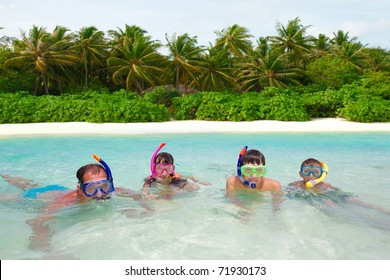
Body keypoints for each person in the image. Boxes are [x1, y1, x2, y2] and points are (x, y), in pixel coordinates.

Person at [1, 154, 143, 251]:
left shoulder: (114, 190)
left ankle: (7, 175)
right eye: (91, 189)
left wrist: (143, 208)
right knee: (15, 195)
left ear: (110, 184)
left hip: (58, 189)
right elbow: (37, 221)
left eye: (104, 186)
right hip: (38, 196)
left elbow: (136, 195)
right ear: (80, 190)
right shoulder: (67, 201)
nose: (99, 194)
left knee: (29, 183)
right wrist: (43, 243)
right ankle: (5, 175)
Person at [287, 158, 390, 215]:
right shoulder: (297, 184)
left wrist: (344, 194)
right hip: (321, 198)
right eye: (306, 172)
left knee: (357, 202)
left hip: (333, 194)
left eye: (316, 172)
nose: (311, 176)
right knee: (334, 206)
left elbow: (337, 190)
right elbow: (287, 192)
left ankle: (385, 211)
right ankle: (370, 222)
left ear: (322, 174)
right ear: (300, 174)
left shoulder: (325, 184)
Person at [142, 142, 207, 200]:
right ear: (154, 168)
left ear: (172, 169)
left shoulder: (175, 176)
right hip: (163, 189)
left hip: (174, 184)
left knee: (194, 187)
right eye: (159, 168)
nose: (164, 173)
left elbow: (188, 178)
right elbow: (145, 189)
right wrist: (147, 194)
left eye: (168, 168)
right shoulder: (151, 179)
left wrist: (199, 182)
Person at [226, 146, 282, 212]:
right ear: (240, 170)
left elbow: (277, 207)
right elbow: (231, 200)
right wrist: (244, 210)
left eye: (259, 170)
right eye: (248, 170)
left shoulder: (274, 186)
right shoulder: (233, 182)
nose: (254, 176)